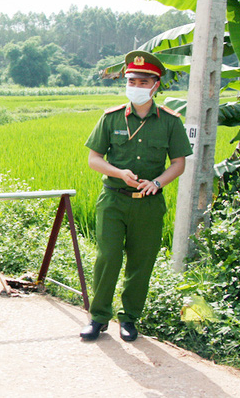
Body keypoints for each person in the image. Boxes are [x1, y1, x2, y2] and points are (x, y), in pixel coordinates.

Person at [80, 51, 192, 342]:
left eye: (144, 82)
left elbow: (179, 162)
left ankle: (129, 319)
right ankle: (98, 317)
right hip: (114, 200)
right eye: (132, 81)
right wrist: (119, 173)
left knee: (141, 262)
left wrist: (157, 182)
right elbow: (95, 159)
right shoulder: (111, 118)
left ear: (155, 85)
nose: (137, 86)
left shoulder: (169, 121)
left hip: (149, 204)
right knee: (107, 258)